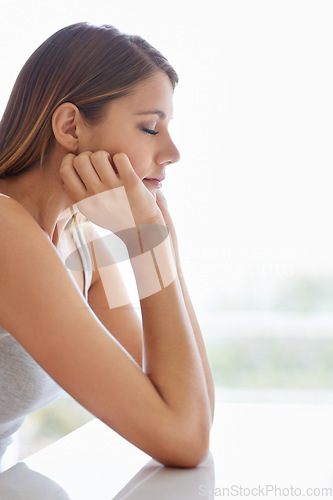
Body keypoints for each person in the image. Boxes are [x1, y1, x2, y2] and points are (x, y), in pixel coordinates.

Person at [0, 22, 215, 469]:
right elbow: (182, 437)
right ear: (70, 126)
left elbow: (191, 408)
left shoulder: (82, 246)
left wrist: (163, 245)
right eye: (151, 128)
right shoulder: (5, 230)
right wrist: (147, 245)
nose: (172, 152)